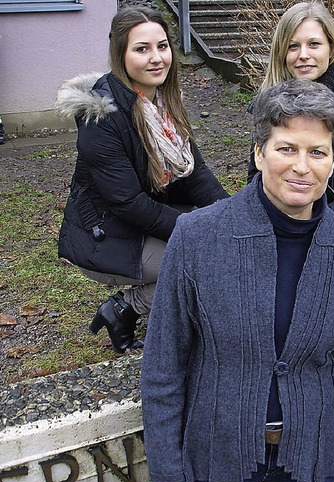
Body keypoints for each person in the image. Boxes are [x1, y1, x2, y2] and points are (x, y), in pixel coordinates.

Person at [141, 78, 334, 482]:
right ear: (258, 152)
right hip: (214, 445)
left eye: (318, 151)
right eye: (286, 148)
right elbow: (165, 360)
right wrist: (167, 467)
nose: (301, 166)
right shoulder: (197, 237)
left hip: (312, 451)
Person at [55, 6, 228, 353]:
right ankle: (125, 308)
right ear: (121, 53)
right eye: (142, 49)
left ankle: (164, 313)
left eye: (162, 46)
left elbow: (194, 174)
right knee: (209, 257)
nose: (156, 58)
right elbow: (127, 203)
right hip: (105, 236)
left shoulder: (161, 101)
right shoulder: (101, 117)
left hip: (140, 221)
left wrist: (231, 213)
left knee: (225, 238)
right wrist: (200, 230)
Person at [246, 1, 334, 203]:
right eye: (293, 46)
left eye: (314, 44)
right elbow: (255, 178)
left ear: (331, 46)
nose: (303, 55)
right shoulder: (268, 102)